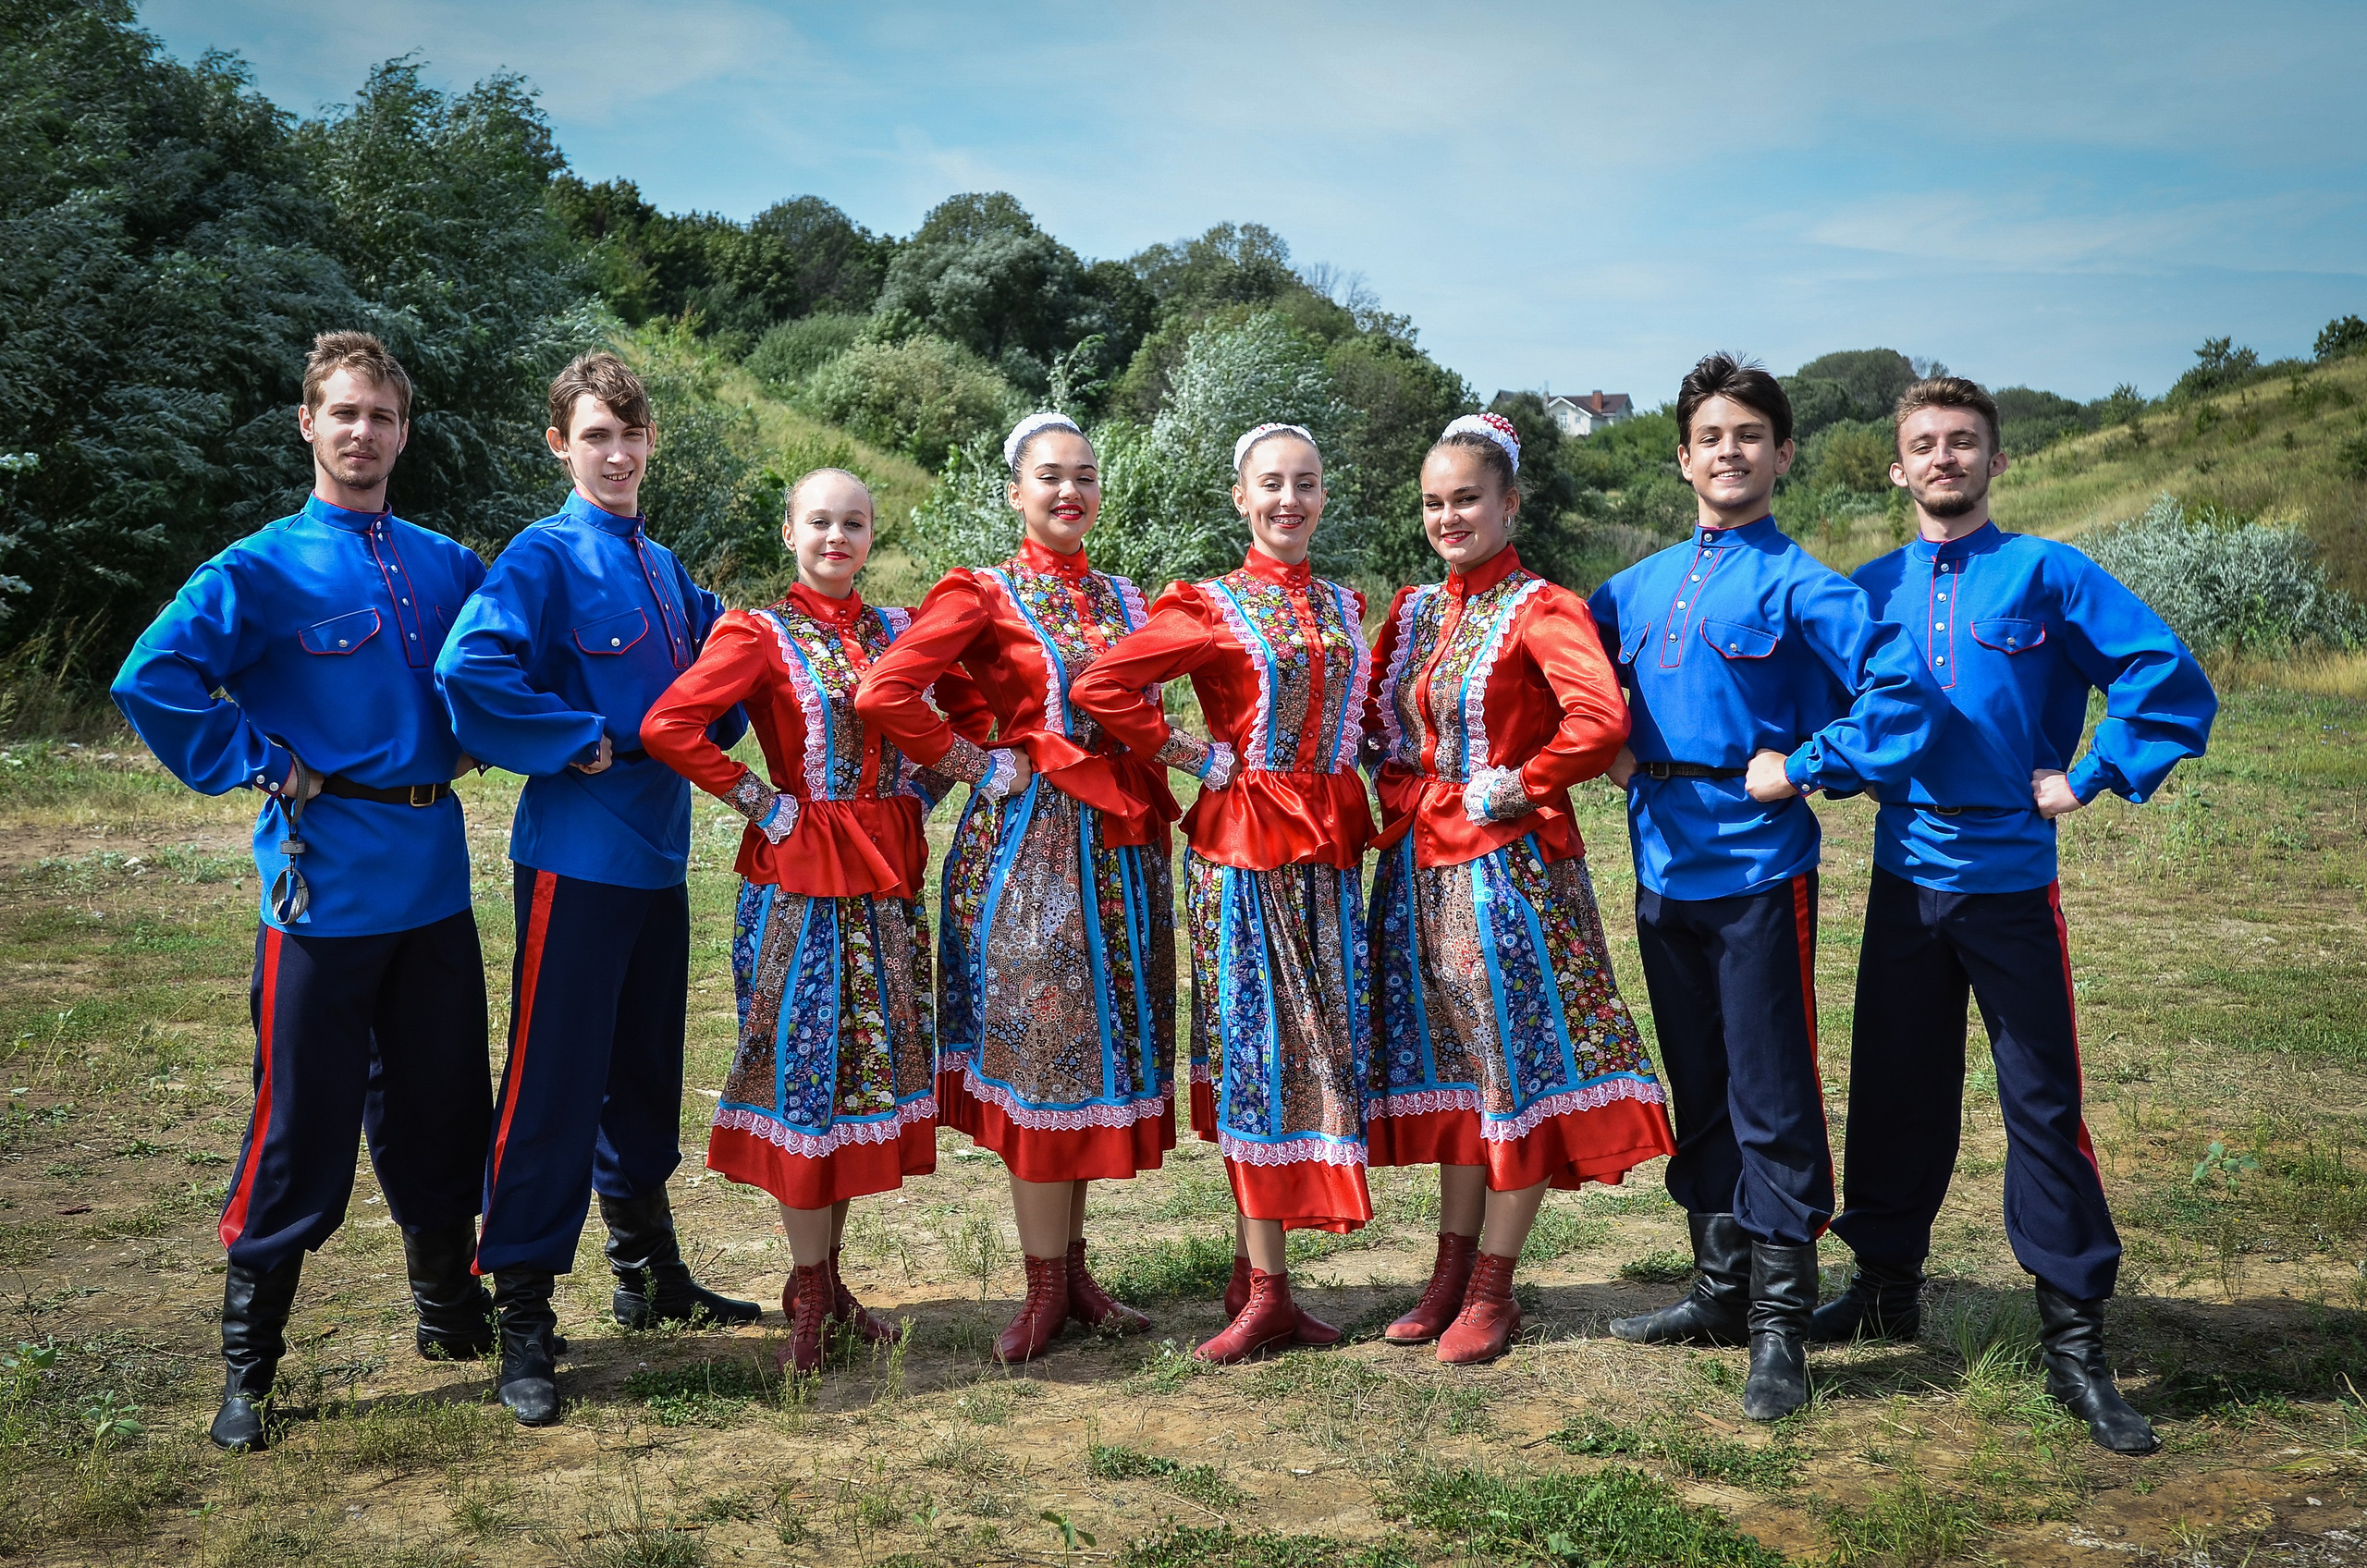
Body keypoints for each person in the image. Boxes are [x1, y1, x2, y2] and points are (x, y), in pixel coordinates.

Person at [112, 333, 493, 1452]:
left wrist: (493, 734)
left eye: (381, 415)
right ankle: (250, 1363)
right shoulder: (260, 568)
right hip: (321, 888)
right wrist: (262, 755)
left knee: (440, 1104)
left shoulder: (445, 564)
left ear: (404, 431)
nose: (362, 432)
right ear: (308, 424)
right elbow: (155, 676)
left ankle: (448, 1311)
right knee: (299, 1121)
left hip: (432, 879)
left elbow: (502, 666)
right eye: (344, 413)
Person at [1822, 377, 2214, 1453]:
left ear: (1995, 462)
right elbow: (1825, 712)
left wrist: (2088, 774)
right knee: (1895, 1088)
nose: (1942, 458)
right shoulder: (1866, 588)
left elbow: (2162, 675)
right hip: (1905, 879)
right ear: (1895, 468)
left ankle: (2074, 1340)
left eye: (1962, 443)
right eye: (1923, 445)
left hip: (2008, 884)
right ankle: (1882, 1286)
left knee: (2041, 1104)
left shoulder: (2047, 573)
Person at [1588, 355, 1937, 1421]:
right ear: (1681, 457)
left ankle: (1782, 1325)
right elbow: (1556, 671)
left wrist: (1809, 761)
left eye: (1750, 434)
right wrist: (1587, 740)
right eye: (1710, 436)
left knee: (1770, 1091)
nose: (1728, 451)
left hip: (1756, 869)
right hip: (1660, 864)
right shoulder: (1632, 588)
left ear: (1781, 454)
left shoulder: (1805, 586)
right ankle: (1719, 1289)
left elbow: (1898, 690)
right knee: (1698, 1085)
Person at [436, 351, 758, 1427]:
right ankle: (522, 1313)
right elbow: (469, 669)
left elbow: (734, 675)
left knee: (640, 1073)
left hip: (658, 861)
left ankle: (647, 1272)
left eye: (630, 434)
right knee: (551, 1087)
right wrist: (574, 739)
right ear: (559, 446)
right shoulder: (544, 556)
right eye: (593, 437)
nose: (615, 454)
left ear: (650, 440)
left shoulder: (666, 569)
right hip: (574, 863)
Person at [640, 469, 989, 1372]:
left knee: (855, 1091)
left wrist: (927, 786)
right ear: (791, 531)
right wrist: (763, 800)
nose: (837, 536)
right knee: (805, 1085)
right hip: (798, 887)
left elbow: (960, 715)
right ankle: (804, 1289)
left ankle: (829, 1282)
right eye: (820, 522)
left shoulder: (897, 632)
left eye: (854, 523)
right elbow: (671, 724)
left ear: (871, 534)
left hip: (882, 889)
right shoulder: (758, 633)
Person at [855, 411, 1177, 1363]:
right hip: (1027, 853)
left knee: (1090, 1060)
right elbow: (885, 691)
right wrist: (970, 759)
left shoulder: (1127, 595)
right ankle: (1043, 1285)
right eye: (1048, 477)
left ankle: (1072, 1269)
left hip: (1119, 854)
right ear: (1015, 492)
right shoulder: (982, 594)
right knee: (1043, 1055)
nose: (1067, 491)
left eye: (1083, 475)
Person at [1362, 413, 1677, 1366]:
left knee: (1510, 1070)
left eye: (1466, 499)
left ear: (1508, 503)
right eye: (1433, 501)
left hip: (1504, 871)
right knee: (1457, 1073)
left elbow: (1596, 718)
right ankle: (1449, 1272)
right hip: (1417, 867)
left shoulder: (1542, 606)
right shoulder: (1415, 610)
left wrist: (1520, 780)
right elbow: (1379, 723)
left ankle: (1493, 1287)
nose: (1448, 516)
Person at [1070, 423, 1376, 1364]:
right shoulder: (1207, 604)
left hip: (1327, 850)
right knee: (1257, 1052)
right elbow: (1103, 685)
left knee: (1318, 1049)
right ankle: (1268, 1289)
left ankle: (1261, 1279)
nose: (1289, 500)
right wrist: (1194, 753)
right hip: (1243, 846)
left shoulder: (1345, 601)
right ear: (1240, 498)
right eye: (1271, 485)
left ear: (1326, 495)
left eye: (1307, 484)